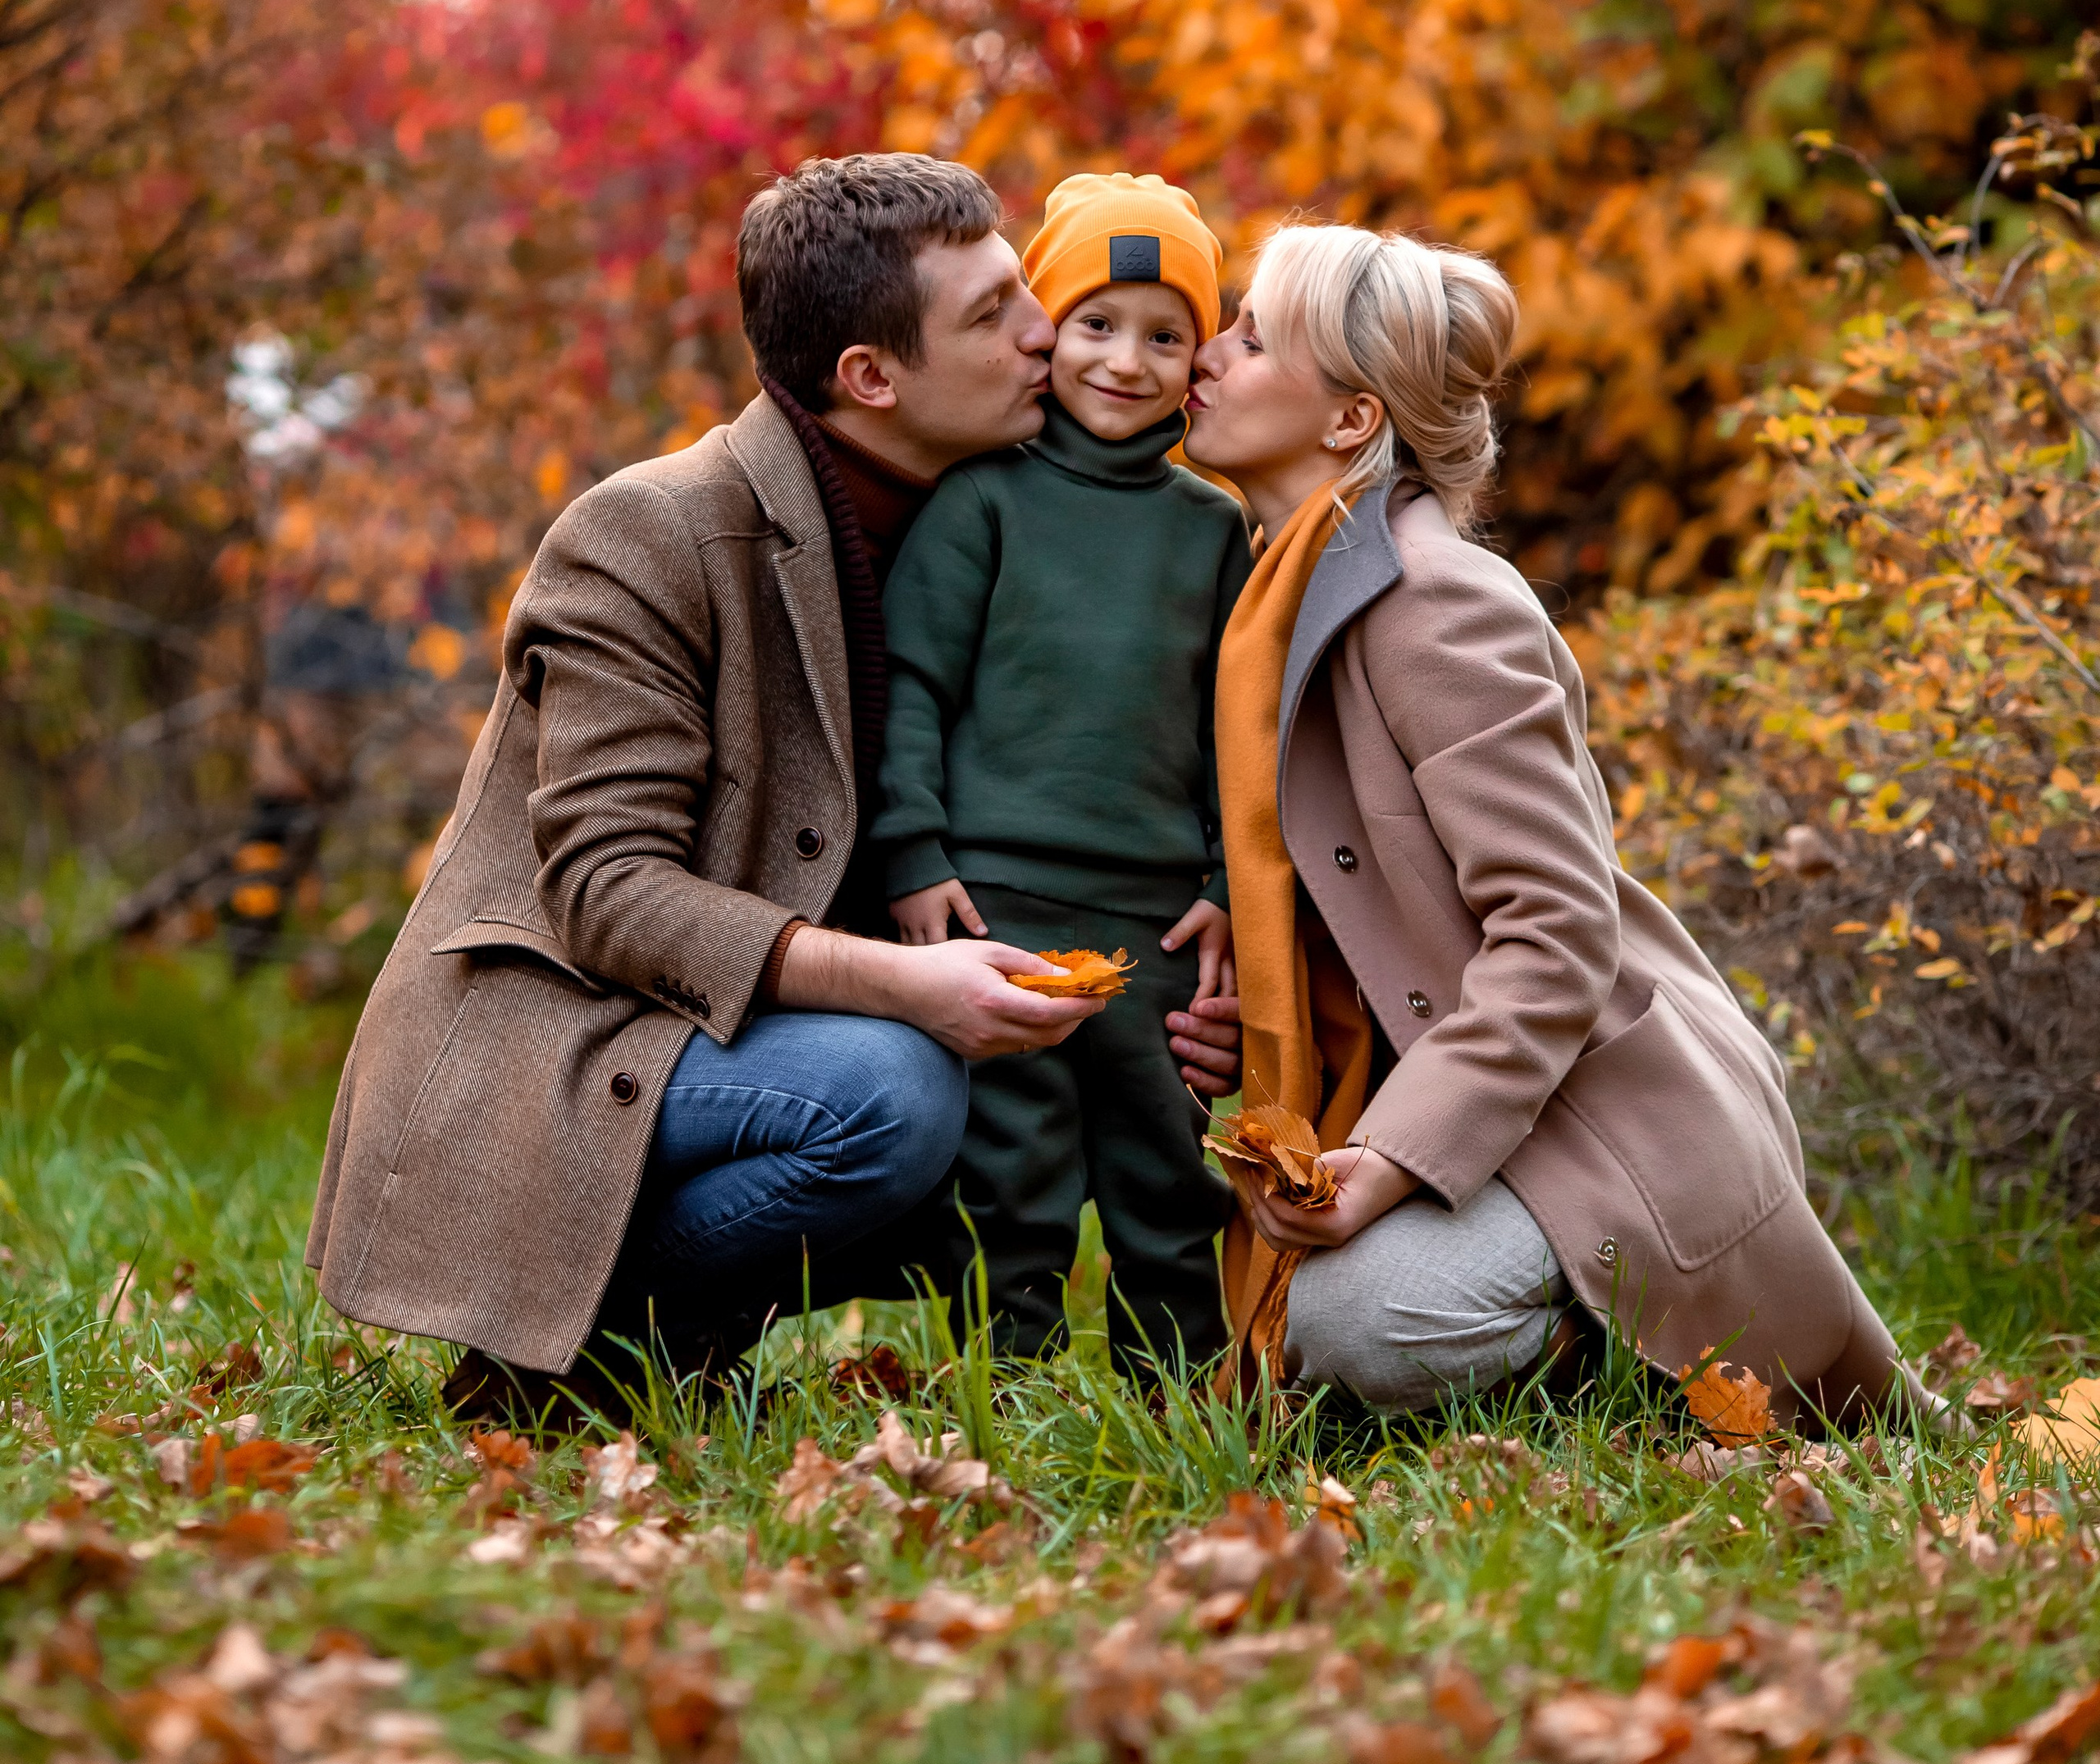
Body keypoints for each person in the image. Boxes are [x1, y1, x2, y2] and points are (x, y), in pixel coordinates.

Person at [304, 153, 1243, 1416]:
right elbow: (608, 893)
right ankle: (594, 1347)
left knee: (1039, 1114)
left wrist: (1180, 986)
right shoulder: (647, 534)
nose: (1047, 333)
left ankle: (667, 1346)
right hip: (577, 1042)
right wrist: (909, 986)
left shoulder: (1005, 519)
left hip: (743, 1026)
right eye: (996, 313)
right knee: (902, 1094)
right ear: (872, 378)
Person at [1181, 221, 1905, 1424]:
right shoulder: (1278, 593)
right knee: (1303, 1325)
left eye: (1251, 341)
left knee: (1355, 1320)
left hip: (1602, 1122)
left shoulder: (1434, 604)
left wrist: (1395, 1163)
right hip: (1488, 1096)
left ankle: (1607, 1355)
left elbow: (1556, 931)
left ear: (1351, 420)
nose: (1205, 354)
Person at [874, 172, 1254, 1375]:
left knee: (1164, 1166)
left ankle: (1177, 1391)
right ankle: (1011, 1388)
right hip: (999, 903)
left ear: (1197, 362)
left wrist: (1228, 887)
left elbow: (1237, 730)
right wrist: (913, 852)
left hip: (1156, 916)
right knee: (1012, 1169)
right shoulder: (983, 498)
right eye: (1096, 323)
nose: (1125, 362)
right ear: (1049, 325)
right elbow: (911, 686)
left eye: (1164, 337)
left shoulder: (1213, 529)